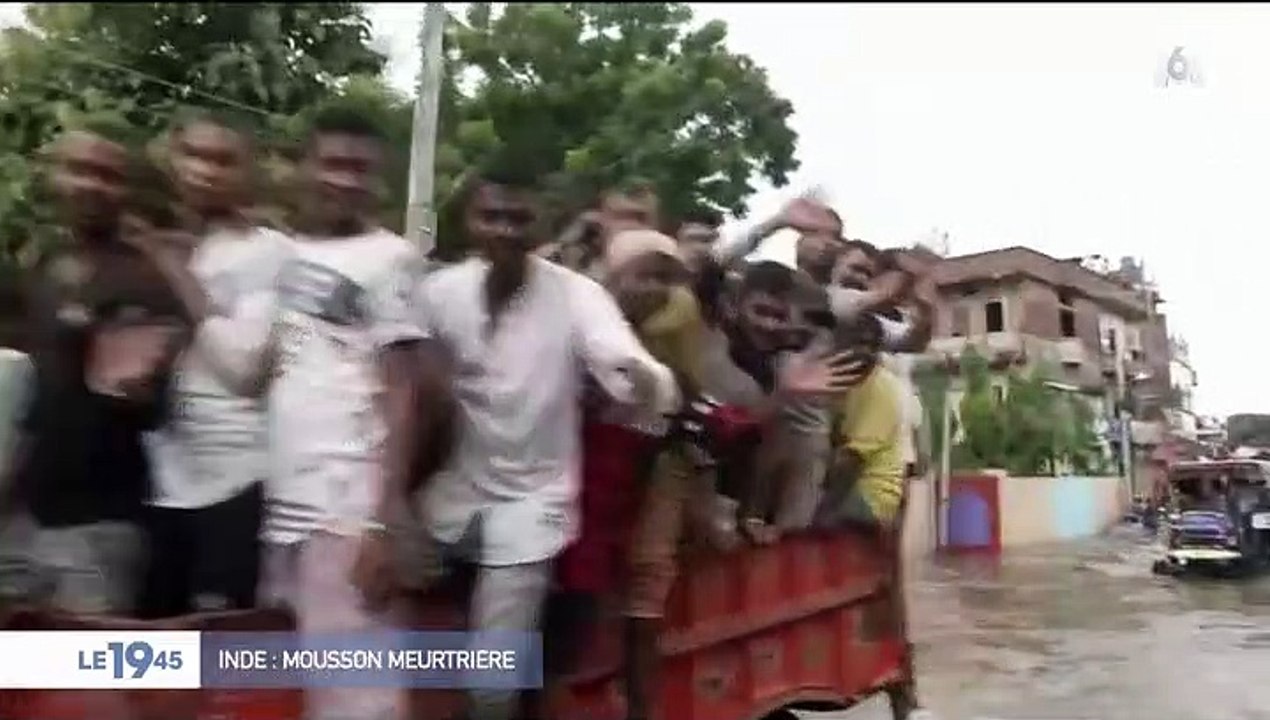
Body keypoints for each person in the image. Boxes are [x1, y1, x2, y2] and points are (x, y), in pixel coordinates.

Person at [416, 164, 679, 720]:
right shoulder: (438, 293)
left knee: (492, 688)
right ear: (469, 222)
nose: (506, 230)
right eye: (493, 216)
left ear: (543, 225)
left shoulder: (577, 295)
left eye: (520, 218)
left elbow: (628, 362)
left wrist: (636, 378)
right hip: (445, 498)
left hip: (531, 505)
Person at [260, 106, 428, 720]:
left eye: (360, 169)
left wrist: (383, 524)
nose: (346, 181)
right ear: (305, 168)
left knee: (358, 703)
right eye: (333, 164)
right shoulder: (280, 253)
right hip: (279, 513)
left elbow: (405, 389)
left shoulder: (390, 260)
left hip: (345, 513)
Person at [1, 123, 185, 615]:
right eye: (78, 170)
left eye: (107, 175)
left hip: (102, 522)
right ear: (53, 175)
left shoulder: (144, 276)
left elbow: (153, 405)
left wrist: (135, 384)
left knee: (89, 679)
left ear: (125, 189)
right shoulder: (38, 263)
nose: (91, 184)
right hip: (18, 514)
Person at [127, 110, 292, 618]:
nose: (204, 170)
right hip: (160, 479)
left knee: (219, 654)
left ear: (249, 172)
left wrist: (175, 271)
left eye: (223, 160)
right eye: (193, 155)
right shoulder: (147, 246)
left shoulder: (269, 252)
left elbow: (245, 369)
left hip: (236, 482)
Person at [813, 313, 906, 532]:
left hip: (868, 496)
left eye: (872, 347)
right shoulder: (840, 381)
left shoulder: (881, 389)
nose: (865, 352)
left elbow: (851, 461)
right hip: (844, 484)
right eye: (857, 343)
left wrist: (820, 515)